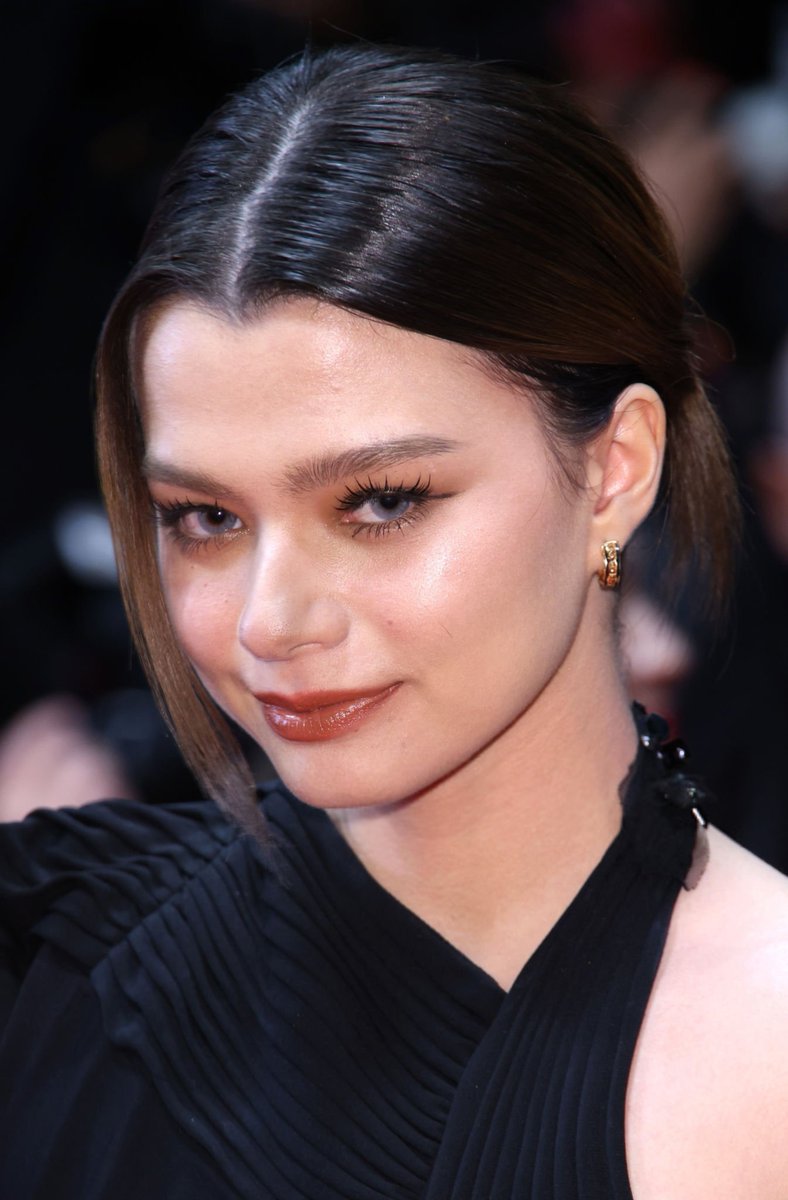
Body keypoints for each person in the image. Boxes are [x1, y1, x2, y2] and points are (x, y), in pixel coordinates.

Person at [1, 43, 786, 1200]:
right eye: (205, 517)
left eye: (379, 503)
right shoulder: (47, 959)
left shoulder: (761, 1041)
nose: (272, 621)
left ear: (614, 470)